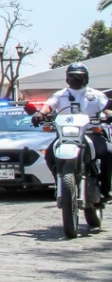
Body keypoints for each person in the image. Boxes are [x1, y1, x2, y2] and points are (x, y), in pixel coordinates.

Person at [39, 63, 112, 199]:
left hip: (91, 133)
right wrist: (40, 114)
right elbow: (48, 105)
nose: (75, 79)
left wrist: (109, 114)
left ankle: (105, 189)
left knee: (108, 153)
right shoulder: (60, 95)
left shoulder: (95, 95)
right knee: (49, 155)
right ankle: (59, 182)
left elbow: (106, 107)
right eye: (72, 76)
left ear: (86, 77)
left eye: (79, 76)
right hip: (66, 135)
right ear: (67, 78)